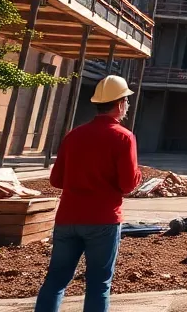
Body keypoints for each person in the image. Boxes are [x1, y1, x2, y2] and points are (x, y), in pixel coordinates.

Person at [35, 75, 141, 312]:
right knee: (99, 284)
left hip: (67, 219)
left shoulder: (73, 135)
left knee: (55, 281)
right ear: (121, 103)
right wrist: (137, 174)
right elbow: (127, 184)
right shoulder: (124, 137)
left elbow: (56, 180)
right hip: (103, 220)